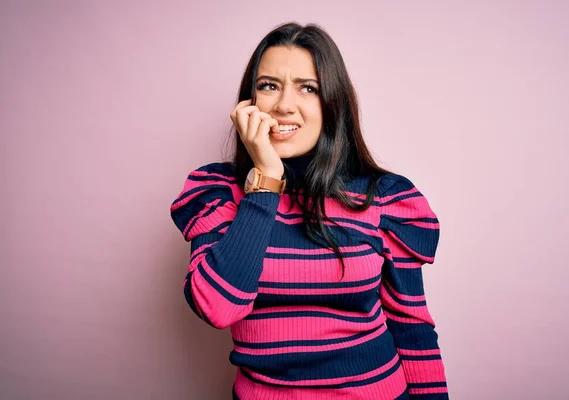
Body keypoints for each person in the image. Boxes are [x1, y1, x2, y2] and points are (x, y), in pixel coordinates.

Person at [170, 22, 449, 400]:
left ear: (332, 103)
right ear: (248, 103)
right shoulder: (217, 193)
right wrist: (266, 180)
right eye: (269, 85)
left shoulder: (384, 198)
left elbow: (412, 328)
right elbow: (218, 308)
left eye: (308, 88)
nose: (284, 104)